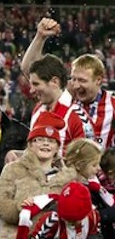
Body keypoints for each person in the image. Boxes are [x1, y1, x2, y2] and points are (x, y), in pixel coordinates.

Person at [21, 18, 85, 151]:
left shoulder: (76, 116)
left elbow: (84, 163)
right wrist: (40, 36)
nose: (31, 90)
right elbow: (28, 68)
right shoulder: (39, 111)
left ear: (55, 82)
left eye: (36, 84)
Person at [69, 54, 115, 148]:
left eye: (82, 80)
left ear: (98, 80)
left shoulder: (113, 106)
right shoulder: (66, 101)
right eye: (73, 79)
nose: (76, 86)